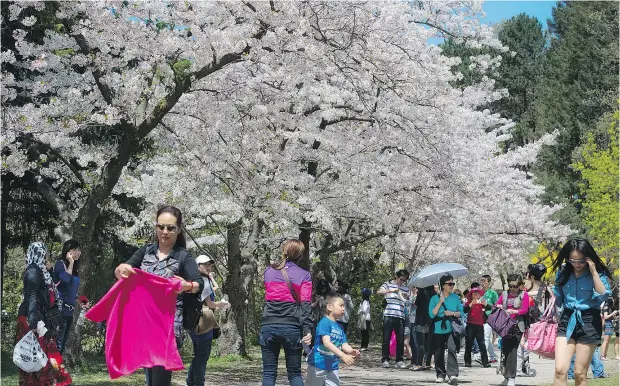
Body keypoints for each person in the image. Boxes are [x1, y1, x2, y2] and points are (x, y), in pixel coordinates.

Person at [114, 205, 203, 386]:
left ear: (178, 230)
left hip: (169, 326)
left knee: (160, 377)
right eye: (160, 226)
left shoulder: (183, 256)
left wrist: (187, 285)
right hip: (145, 323)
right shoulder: (146, 251)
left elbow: (198, 284)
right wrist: (120, 269)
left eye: (170, 228)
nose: (164, 231)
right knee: (151, 377)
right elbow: (123, 269)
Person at [552, 239, 612, 386]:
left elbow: (602, 295)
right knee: (560, 370)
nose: (577, 264)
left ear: (588, 258)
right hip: (567, 318)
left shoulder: (598, 273)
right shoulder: (563, 272)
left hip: (589, 321)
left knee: (579, 373)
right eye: (573, 260)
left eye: (581, 260)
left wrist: (593, 272)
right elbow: (558, 296)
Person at [16, 242, 72, 386]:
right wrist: (33, 323)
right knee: (35, 354)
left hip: (41, 319)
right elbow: (32, 297)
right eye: (42, 253)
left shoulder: (41, 270)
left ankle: (55, 381)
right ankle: (48, 382)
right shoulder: (33, 271)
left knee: (47, 353)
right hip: (33, 320)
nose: (44, 256)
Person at [260, 239, 313, 386]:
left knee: (269, 373)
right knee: (294, 373)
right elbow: (305, 303)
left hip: (269, 325)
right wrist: (307, 329)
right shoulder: (304, 275)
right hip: (292, 326)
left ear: (283, 251)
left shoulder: (268, 271)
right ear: (301, 255)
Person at [186, 255, 230, 386]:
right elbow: (210, 304)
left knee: (197, 356)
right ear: (198, 266)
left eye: (210, 265)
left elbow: (213, 289)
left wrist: (210, 277)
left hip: (191, 321)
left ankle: (191, 381)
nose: (209, 267)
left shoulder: (192, 280)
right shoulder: (203, 282)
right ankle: (198, 383)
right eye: (205, 265)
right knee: (202, 357)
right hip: (203, 322)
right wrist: (221, 305)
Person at [307, 292, 360, 386]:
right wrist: (343, 355)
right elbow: (327, 343)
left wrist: (351, 351)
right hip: (317, 366)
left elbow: (344, 344)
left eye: (344, 306)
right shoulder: (324, 323)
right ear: (329, 307)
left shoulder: (340, 326)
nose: (343, 308)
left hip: (332, 367)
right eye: (341, 305)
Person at [496, 274, 530, 386]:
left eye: (515, 286)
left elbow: (525, 310)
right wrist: (499, 306)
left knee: (513, 350)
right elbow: (497, 304)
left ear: (520, 286)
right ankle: (506, 376)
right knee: (505, 350)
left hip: (517, 326)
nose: (512, 289)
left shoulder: (524, 295)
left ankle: (511, 377)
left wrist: (514, 311)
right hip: (505, 326)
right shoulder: (504, 294)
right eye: (510, 286)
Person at [428, 274, 463, 385]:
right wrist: (439, 302)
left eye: (453, 284)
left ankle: (452, 374)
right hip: (438, 329)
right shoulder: (434, 298)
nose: (452, 286)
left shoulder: (455, 298)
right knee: (438, 352)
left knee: (452, 349)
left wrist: (452, 313)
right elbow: (432, 314)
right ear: (443, 285)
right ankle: (440, 374)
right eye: (449, 284)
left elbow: (461, 313)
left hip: (451, 328)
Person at [377, 269, 411, 369]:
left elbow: (408, 301)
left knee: (400, 340)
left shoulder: (405, 289)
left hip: (400, 316)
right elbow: (379, 291)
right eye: (401, 279)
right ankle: (385, 359)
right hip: (388, 315)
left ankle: (399, 360)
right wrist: (390, 290)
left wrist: (405, 296)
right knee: (386, 339)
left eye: (404, 280)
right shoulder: (388, 284)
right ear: (396, 277)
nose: (402, 282)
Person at [53, 239, 81, 354]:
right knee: (57, 345)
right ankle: (53, 371)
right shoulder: (60, 264)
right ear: (68, 252)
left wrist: (81, 301)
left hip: (70, 311)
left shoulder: (74, 269)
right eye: (74, 250)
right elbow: (65, 279)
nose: (78, 252)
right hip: (61, 310)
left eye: (79, 250)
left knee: (62, 346)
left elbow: (71, 291)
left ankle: (57, 370)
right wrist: (71, 263)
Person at [463, 287, 490, 368]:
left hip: (479, 326)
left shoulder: (481, 303)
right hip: (470, 325)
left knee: (482, 344)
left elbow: (489, 308)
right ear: (471, 295)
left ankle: (485, 362)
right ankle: (467, 362)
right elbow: (464, 310)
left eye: (477, 293)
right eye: (474, 293)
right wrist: (471, 304)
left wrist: (485, 304)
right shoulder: (468, 303)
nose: (476, 294)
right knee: (469, 344)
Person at [411, 285, 434, 371]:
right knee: (428, 344)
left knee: (420, 343)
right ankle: (428, 363)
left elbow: (417, 303)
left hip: (421, 320)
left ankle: (419, 363)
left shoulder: (421, 292)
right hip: (431, 320)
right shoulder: (434, 293)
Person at [480, 274, 499, 363]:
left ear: (489, 282)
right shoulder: (479, 292)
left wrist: (487, 306)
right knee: (485, 337)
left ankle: (482, 356)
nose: (482, 283)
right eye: (481, 281)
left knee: (486, 338)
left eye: (484, 281)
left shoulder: (493, 293)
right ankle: (493, 356)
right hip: (479, 317)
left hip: (489, 318)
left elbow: (497, 306)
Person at [600, 293, 619, 360]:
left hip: (610, 324)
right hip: (607, 324)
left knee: (608, 340)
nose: (613, 301)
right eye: (612, 300)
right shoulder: (606, 306)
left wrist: (615, 314)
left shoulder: (610, 307)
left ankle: (605, 355)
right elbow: (605, 317)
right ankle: (602, 355)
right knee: (606, 340)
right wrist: (613, 313)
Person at [404, 287, 418, 365]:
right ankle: (413, 360)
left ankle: (416, 361)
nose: (414, 289)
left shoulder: (417, 296)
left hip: (415, 320)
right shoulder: (411, 296)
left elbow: (413, 303)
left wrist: (414, 295)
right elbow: (406, 304)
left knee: (415, 341)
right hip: (408, 320)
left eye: (415, 288)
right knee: (410, 342)